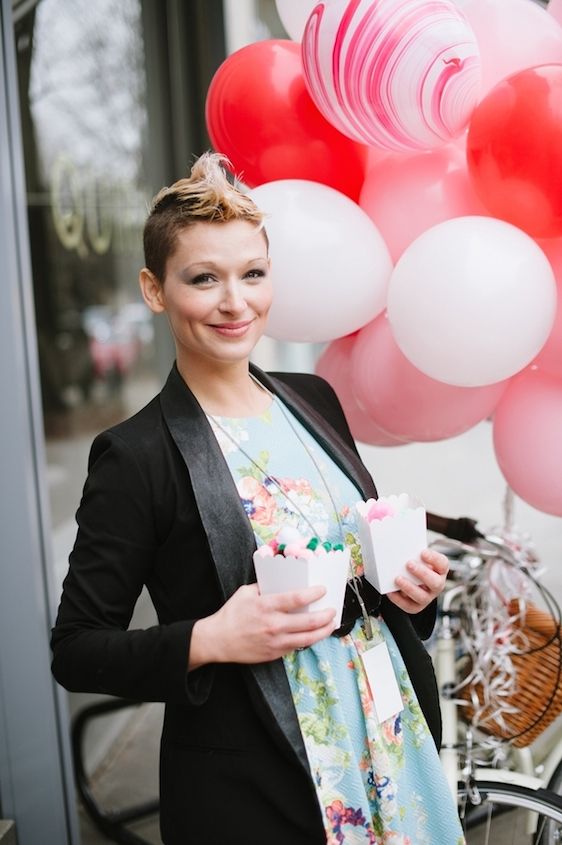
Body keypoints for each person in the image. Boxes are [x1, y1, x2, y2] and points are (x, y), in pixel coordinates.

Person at [51, 152, 465, 845]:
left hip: (390, 744)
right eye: (203, 278)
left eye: (252, 274)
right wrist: (210, 638)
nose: (235, 302)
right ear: (155, 290)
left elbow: (358, 583)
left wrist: (409, 595)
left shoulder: (314, 401)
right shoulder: (136, 455)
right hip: (262, 786)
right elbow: (74, 649)